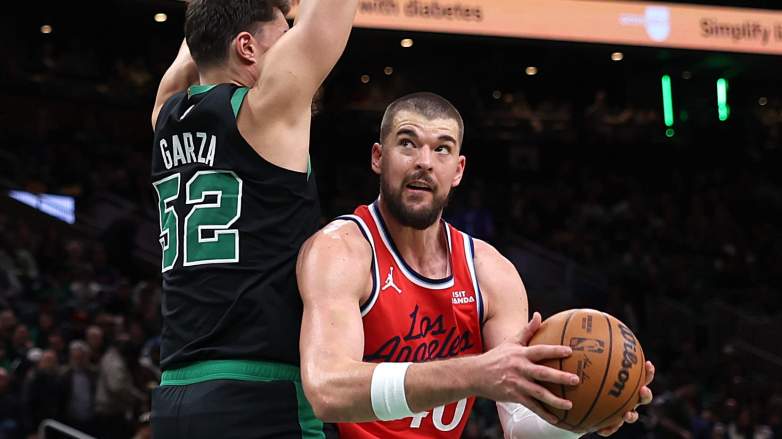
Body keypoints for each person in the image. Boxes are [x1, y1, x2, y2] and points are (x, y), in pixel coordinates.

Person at [296, 92, 655, 438]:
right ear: (378, 157)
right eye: (407, 143)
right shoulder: (341, 250)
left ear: (458, 169)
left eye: (442, 149)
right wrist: (474, 373)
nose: (424, 161)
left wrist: (583, 420)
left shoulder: (491, 273)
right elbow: (327, 389)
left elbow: (519, 424)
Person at [149, 0, 359, 437]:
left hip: (173, 396)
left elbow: (202, 31)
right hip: (261, 391)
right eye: (284, 37)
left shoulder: (164, 115)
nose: (291, 45)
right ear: (247, 47)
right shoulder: (266, 113)